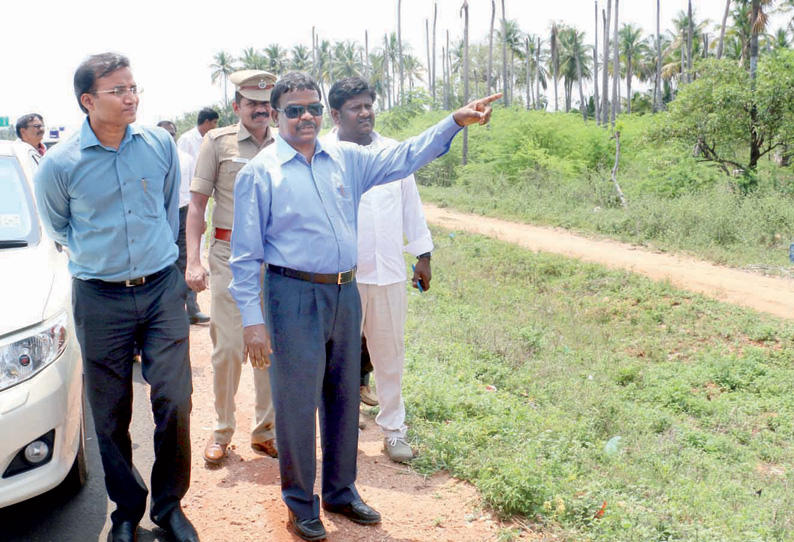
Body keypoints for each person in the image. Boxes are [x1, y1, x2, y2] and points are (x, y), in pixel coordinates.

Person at [229, 71, 499, 542]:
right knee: (296, 404)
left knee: (343, 394)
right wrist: (253, 321)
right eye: (294, 110)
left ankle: (340, 490)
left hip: (344, 292)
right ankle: (300, 503)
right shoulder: (260, 173)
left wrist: (453, 122)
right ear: (276, 115)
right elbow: (245, 255)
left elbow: (405, 155)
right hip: (291, 296)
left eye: (312, 107)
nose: (306, 116)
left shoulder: (347, 159)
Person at [33, 53, 198, 542]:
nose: (131, 97)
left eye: (133, 88)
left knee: (175, 400)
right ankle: (126, 510)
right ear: (88, 100)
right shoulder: (60, 165)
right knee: (109, 411)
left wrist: (160, 260)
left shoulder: (159, 145)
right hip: (99, 298)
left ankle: (169, 507)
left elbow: (170, 207)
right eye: (118, 90)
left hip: (161, 289)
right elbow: (58, 226)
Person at [325, 77, 433, 463]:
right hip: (339, 278)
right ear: (336, 115)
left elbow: (411, 206)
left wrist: (423, 255)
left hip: (387, 273)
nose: (365, 112)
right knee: (336, 357)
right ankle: (339, 428)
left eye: (368, 104)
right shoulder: (322, 153)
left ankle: (393, 431)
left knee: (389, 356)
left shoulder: (395, 154)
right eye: (356, 107)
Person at [186, 70, 279, 465]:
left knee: (270, 346)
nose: (260, 109)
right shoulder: (217, 142)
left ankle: (266, 431)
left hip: (276, 259)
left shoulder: (288, 142)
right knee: (227, 347)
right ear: (237, 106)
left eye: (265, 103)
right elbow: (197, 205)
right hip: (227, 256)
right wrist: (193, 259)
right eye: (251, 103)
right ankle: (222, 429)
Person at [157, 120, 210, 325]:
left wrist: (201, 220)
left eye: (172, 133)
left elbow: (196, 194)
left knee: (187, 260)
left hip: (183, 215)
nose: (169, 137)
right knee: (163, 263)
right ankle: (167, 311)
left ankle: (192, 310)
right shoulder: (149, 161)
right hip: (160, 216)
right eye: (164, 134)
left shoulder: (186, 159)